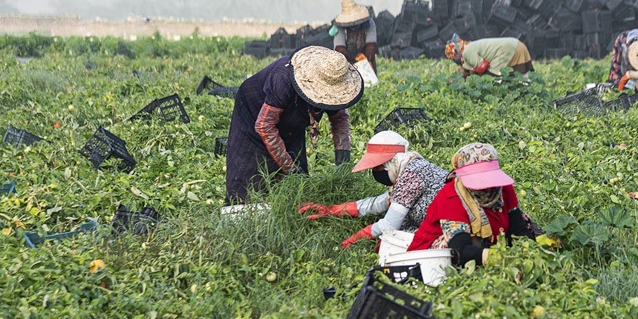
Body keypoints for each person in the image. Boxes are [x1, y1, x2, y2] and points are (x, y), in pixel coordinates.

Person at [224, 46, 362, 205]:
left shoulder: (336, 87)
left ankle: (288, 210)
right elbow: (264, 126)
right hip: (253, 113)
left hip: (291, 123)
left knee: (298, 184)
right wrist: (289, 167)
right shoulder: (283, 79)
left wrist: (342, 158)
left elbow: (340, 119)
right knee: (249, 182)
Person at [296, 130, 449, 249]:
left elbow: (389, 225)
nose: (376, 172)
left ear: (392, 162)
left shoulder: (411, 174)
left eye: (379, 167)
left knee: (393, 240)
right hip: (432, 222)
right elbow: (380, 202)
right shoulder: (408, 167)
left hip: (449, 228)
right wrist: (333, 210)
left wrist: (354, 238)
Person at [407, 143, 540, 266]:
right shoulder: (451, 197)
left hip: (487, 244)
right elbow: (458, 248)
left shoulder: (503, 188)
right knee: (466, 245)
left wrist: (530, 249)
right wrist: (499, 257)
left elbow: (518, 225)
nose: (487, 186)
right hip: (432, 257)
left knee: (524, 219)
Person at [444, 35, 534, 79]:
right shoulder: (473, 45)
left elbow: (482, 66)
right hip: (518, 45)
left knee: (493, 77)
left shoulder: (467, 51)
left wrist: (469, 76)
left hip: (506, 50)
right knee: (522, 76)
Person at [330, 0, 377, 70]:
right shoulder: (339, 26)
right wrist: (355, 57)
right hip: (346, 62)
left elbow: (371, 45)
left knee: (369, 79)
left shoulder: (369, 22)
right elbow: (339, 48)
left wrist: (368, 60)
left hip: (366, 59)